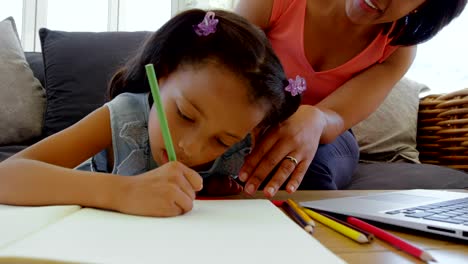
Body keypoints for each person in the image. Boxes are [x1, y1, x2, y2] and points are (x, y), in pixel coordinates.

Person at [0, 9, 301, 217]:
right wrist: (122, 192)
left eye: (222, 141)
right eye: (185, 115)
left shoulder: (245, 135)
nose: (191, 149)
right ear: (162, 73)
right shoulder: (123, 116)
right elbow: (6, 177)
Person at [235, 0, 467, 197]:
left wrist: (316, 119)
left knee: (310, 166)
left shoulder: (397, 50)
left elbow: (337, 114)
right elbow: (225, 69)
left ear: (421, 6)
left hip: (329, 130)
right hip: (248, 111)